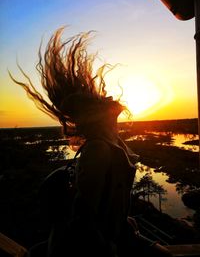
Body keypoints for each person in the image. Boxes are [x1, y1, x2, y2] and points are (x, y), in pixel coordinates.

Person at [10, 27, 172, 257]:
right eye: (101, 100)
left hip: (111, 236)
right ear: (96, 116)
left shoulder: (111, 143)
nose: (110, 98)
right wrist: (109, 250)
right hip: (93, 248)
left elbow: (108, 203)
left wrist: (124, 223)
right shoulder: (97, 150)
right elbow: (83, 218)